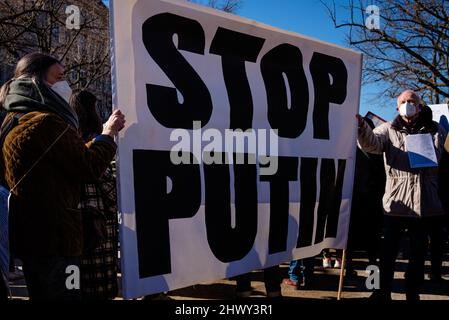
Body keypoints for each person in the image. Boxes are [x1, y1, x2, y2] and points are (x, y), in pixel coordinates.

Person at [0, 52, 125, 300]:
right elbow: (88, 166)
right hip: (59, 240)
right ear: (38, 81)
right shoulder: (47, 122)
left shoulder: (13, 120)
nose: (66, 85)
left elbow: (65, 159)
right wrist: (107, 135)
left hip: (32, 239)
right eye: (60, 77)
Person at [357, 90, 447, 301]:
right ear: (397, 108)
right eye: (404, 102)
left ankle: (412, 293)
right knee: (386, 255)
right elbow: (372, 144)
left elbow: (442, 158)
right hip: (396, 205)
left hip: (425, 205)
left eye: (412, 101)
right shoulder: (388, 129)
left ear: (420, 106)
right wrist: (361, 127)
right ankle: (381, 291)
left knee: (417, 256)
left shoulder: (435, 130)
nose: (408, 104)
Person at [70, 90, 119, 300]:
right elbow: (110, 190)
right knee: (98, 288)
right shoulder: (98, 143)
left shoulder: (68, 138)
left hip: (74, 224)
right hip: (97, 227)